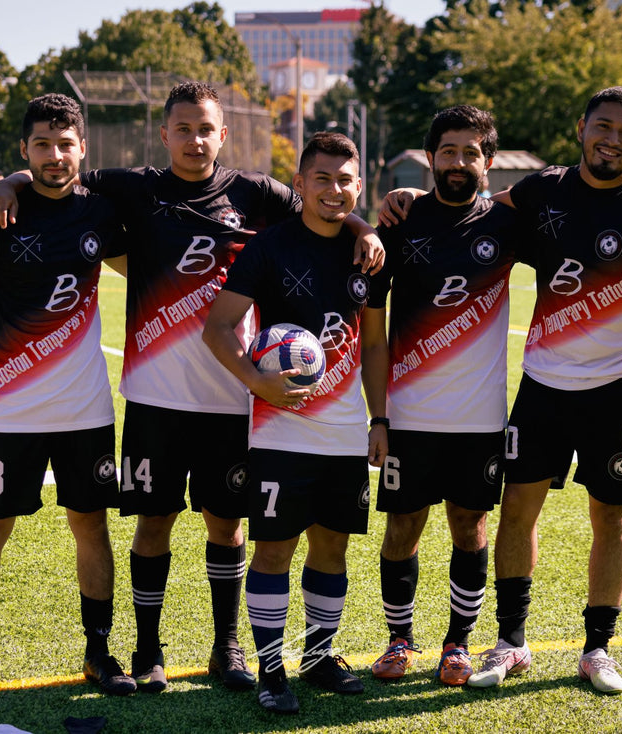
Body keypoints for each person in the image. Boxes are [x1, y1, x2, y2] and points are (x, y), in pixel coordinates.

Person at [0, 82, 384, 694]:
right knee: (154, 523)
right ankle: (148, 648)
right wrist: (6, 183)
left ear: (224, 135)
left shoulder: (255, 194)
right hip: (154, 398)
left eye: (206, 130)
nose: (195, 140)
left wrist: (361, 227)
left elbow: (320, 199)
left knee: (228, 526)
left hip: (233, 400)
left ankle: (227, 648)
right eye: (183, 129)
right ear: (164, 135)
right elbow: (57, 168)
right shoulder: (133, 189)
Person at [465, 86, 622, 694]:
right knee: (516, 509)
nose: (612, 140)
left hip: (615, 391)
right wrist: (411, 198)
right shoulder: (544, 191)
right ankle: (511, 642)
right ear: (581, 127)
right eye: (603, 126)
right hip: (542, 387)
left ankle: (597, 649)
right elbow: (473, 212)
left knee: (610, 517)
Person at [0, 93, 135, 706]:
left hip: (85, 411)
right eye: (42, 146)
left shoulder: (101, 213)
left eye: (66, 144)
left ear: (83, 148)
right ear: (25, 151)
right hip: (10, 410)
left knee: (91, 527)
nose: (56, 156)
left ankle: (99, 651)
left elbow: (151, 266)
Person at [202, 131, 389, 714]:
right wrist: (255, 382)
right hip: (280, 429)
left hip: (342, 431)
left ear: (359, 187)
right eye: (322, 179)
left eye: (345, 180)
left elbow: (377, 346)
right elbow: (218, 327)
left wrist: (379, 417)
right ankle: (272, 668)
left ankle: (318, 656)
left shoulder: (368, 255)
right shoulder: (269, 247)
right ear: (301, 183)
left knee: (332, 547)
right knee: (275, 549)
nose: (334, 190)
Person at [368, 106, 522, 686]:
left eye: (471, 153)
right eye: (449, 151)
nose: (459, 162)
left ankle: (457, 644)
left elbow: (576, 205)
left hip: (479, 417)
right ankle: (399, 640)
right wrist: (378, 415)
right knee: (403, 526)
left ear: (487, 162)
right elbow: (373, 330)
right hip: (409, 413)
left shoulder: (508, 224)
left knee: (469, 524)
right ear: (431, 158)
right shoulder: (398, 222)